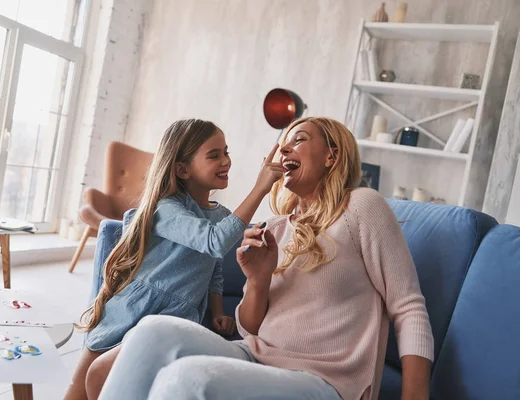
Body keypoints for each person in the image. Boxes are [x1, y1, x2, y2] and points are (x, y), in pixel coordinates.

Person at [97, 117, 434, 400]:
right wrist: (258, 281)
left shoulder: (360, 207)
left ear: (332, 157)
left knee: (191, 379)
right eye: (282, 142)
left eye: (298, 140)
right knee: (153, 330)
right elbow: (249, 328)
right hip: (255, 355)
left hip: (324, 380)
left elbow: (408, 306)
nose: (283, 149)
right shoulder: (273, 227)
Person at [64, 118, 283, 400]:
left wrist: (217, 311)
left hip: (174, 320)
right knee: (80, 388)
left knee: (128, 386)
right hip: (134, 310)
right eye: (214, 155)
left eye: (226, 152)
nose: (226, 161)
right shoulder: (167, 209)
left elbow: (214, 269)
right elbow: (214, 242)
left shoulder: (221, 216)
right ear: (182, 169)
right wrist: (260, 188)